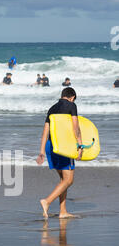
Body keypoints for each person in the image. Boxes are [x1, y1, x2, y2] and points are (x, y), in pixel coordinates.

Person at [36, 87, 82, 219]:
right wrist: (80, 145)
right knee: (69, 180)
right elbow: (75, 127)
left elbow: (45, 131)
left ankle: (63, 211)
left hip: (51, 146)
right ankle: (47, 201)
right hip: (64, 145)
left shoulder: (52, 109)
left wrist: (41, 151)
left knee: (63, 179)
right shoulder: (72, 105)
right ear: (72, 97)